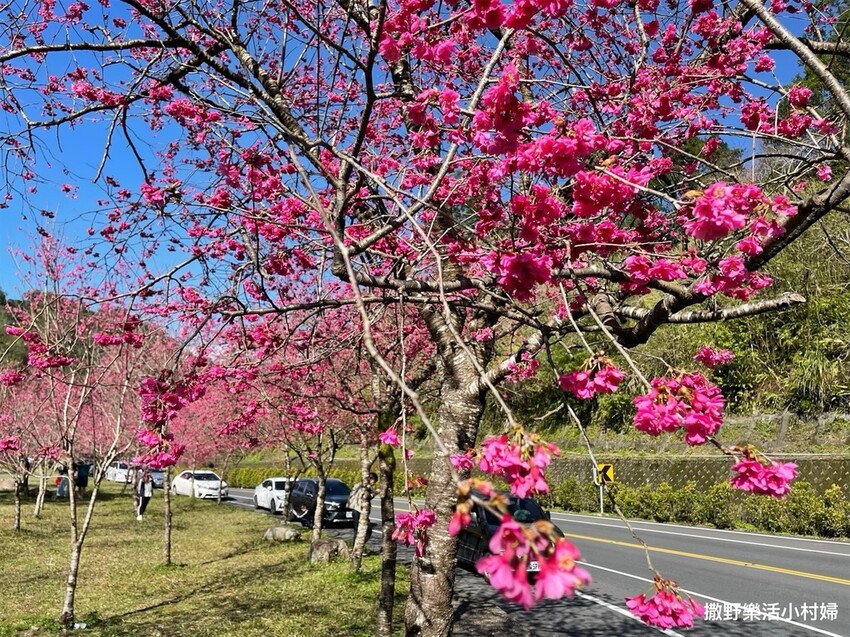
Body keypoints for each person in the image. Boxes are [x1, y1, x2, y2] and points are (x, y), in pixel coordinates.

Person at [349, 472, 377, 543]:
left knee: (359, 530)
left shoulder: (359, 485)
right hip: (359, 510)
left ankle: (356, 547)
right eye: (374, 480)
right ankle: (356, 547)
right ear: (370, 479)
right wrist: (374, 493)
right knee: (364, 529)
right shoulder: (364, 487)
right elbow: (366, 497)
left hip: (356, 509)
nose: (374, 483)